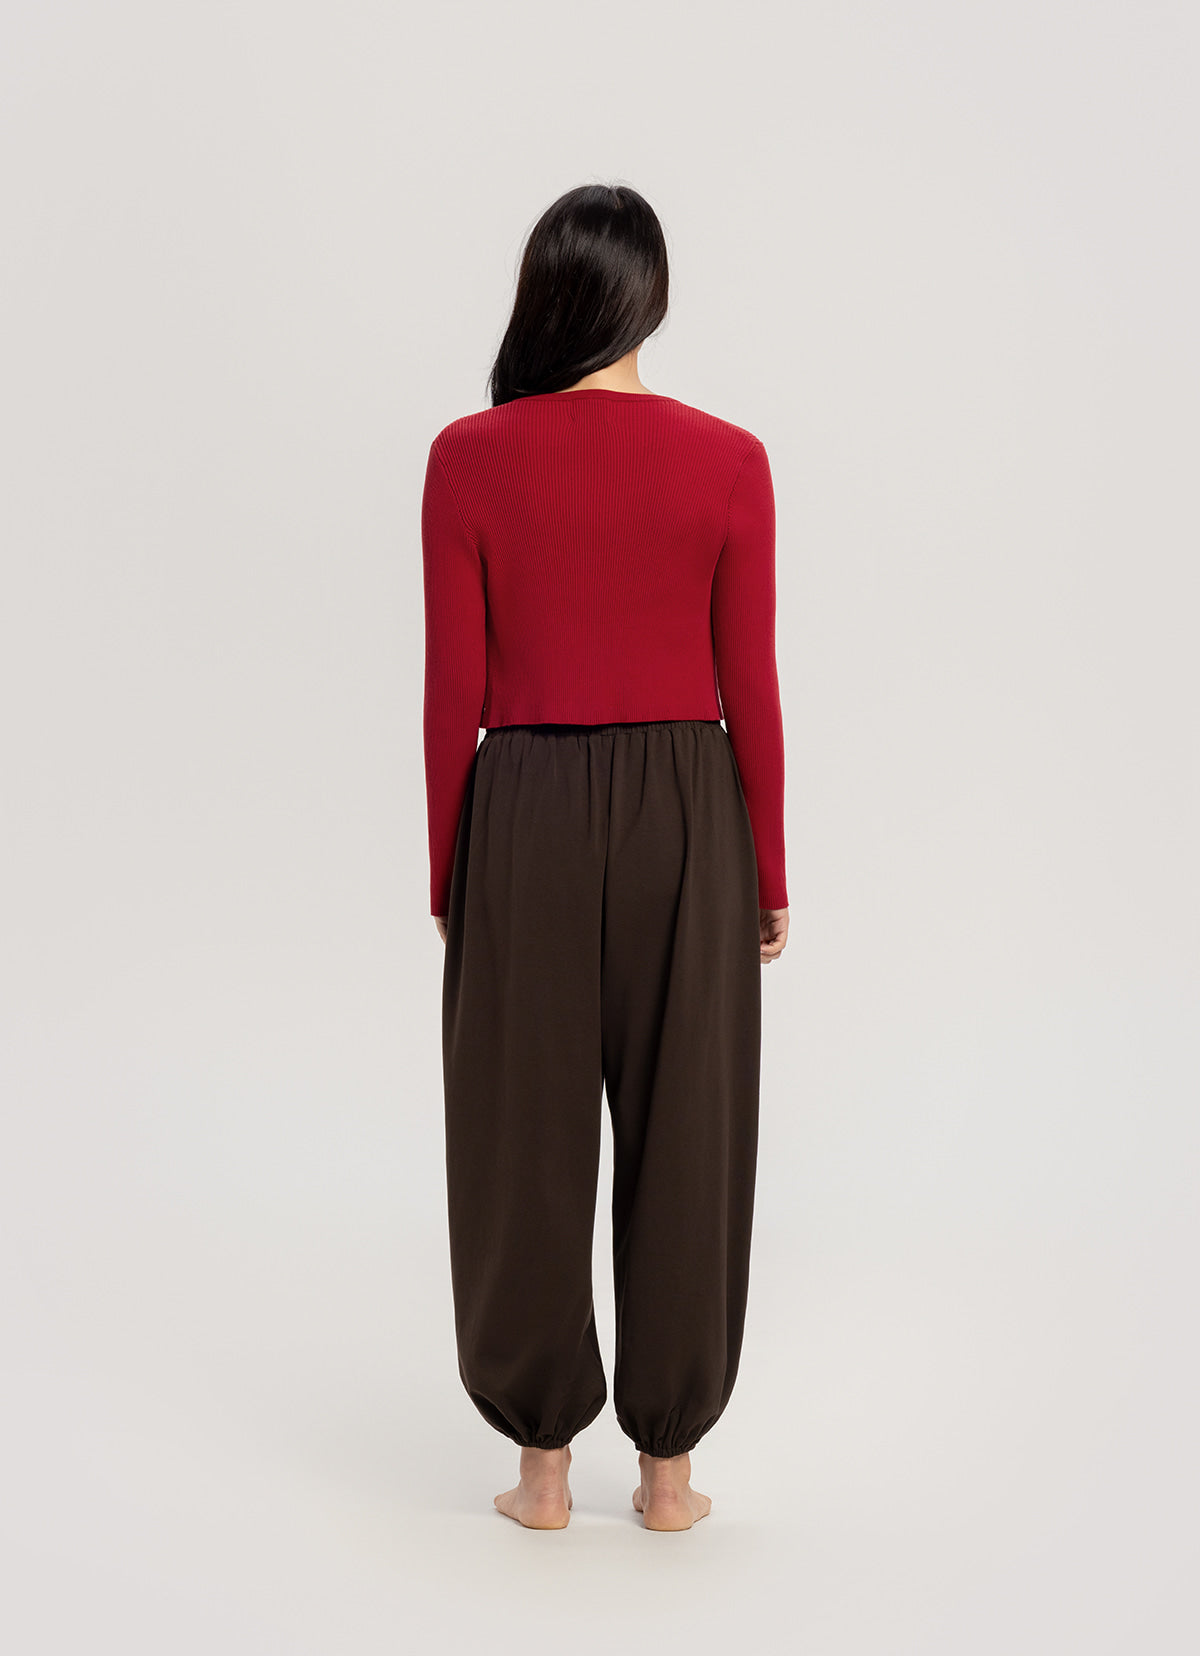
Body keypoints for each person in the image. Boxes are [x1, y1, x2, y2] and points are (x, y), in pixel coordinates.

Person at [421, 182, 789, 1532]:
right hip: (690, 807)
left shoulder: (469, 457)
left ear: (545, 293)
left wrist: (452, 870)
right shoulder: (730, 459)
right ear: (653, 298)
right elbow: (751, 682)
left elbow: (450, 689)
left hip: (521, 804)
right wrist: (771, 871)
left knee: (518, 1131)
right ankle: (670, 1475)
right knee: (689, 1127)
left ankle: (542, 1472)